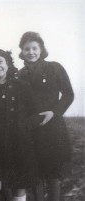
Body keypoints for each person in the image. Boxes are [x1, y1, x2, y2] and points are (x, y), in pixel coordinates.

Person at [18, 32, 74, 201]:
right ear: (22, 51)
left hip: (52, 129)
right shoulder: (20, 74)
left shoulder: (54, 67)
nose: (31, 52)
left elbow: (68, 94)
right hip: (31, 130)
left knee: (52, 173)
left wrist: (54, 112)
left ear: (41, 49)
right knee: (34, 172)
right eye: (26, 49)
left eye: (35, 48)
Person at [0, 49, 43, 201]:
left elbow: (36, 114)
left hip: (19, 144)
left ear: (8, 63)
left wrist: (23, 127)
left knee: (19, 187)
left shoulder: (22, 86)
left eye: (0, 61)